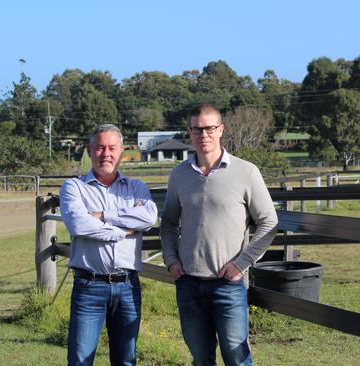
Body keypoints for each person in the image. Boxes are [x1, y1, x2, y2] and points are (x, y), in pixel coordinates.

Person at [160, 103, 278, 366]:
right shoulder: (179, 175)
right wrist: (170, 259)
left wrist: (241, 263)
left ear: (221, 129)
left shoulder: (246, 172)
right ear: (189, 132)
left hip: (229, 285)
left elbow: (269, 222)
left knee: (237, 358)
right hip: (188, 283)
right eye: (197, 129)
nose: (204, 135)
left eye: (210, 128)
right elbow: (168, 221)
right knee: (201, 359)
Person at [59, 124, 158, 366]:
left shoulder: (137, 187)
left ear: (122, 151)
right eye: (100, 147)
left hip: (127, 286)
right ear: (89, 150)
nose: (106, 154)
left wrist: (103, 216)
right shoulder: (74, 187)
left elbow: (148, 218)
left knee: (126, 360)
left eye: (112, 148)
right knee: (80, 360)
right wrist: (124, 231)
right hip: (89, 286)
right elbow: (79, 225)